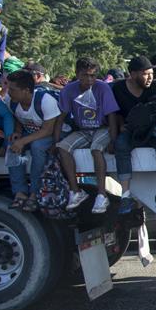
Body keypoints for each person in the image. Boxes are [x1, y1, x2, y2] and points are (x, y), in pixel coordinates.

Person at [111, 56, 156, 213]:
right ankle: (125, 195)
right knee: (121, 145)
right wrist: (118, 127)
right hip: (131, 130)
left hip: (153, 129)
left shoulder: (155, 84)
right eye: (146, 74)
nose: (150, 77)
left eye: (152, 73)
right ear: (132, 74)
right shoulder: (117, 88)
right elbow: (112, 111)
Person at [55, 57, 120, 214]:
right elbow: (61, 117)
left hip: (102, 128)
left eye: (93, 75)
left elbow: (111, 115)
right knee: (63, 148)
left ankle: (101, 194)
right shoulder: (68, 90)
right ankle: (75, 190)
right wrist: (55, 141)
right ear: (77, 74)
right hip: (83, 129)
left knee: (96, 149)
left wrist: (113, 138)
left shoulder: (102, 88)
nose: (89, 79)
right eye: (85, 75)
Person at [3, 70, 57, 211]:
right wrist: (18, 133)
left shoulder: (45, 101)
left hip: (55, 132)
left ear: (26, 90)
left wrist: (23, 141)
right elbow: (19, 116)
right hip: (32, 131)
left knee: (37, 146)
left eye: (13, 90)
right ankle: (19, 192)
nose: (9, 93)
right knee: (12, 145)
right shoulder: (11, 100)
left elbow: (48, 130)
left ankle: (35, 192)